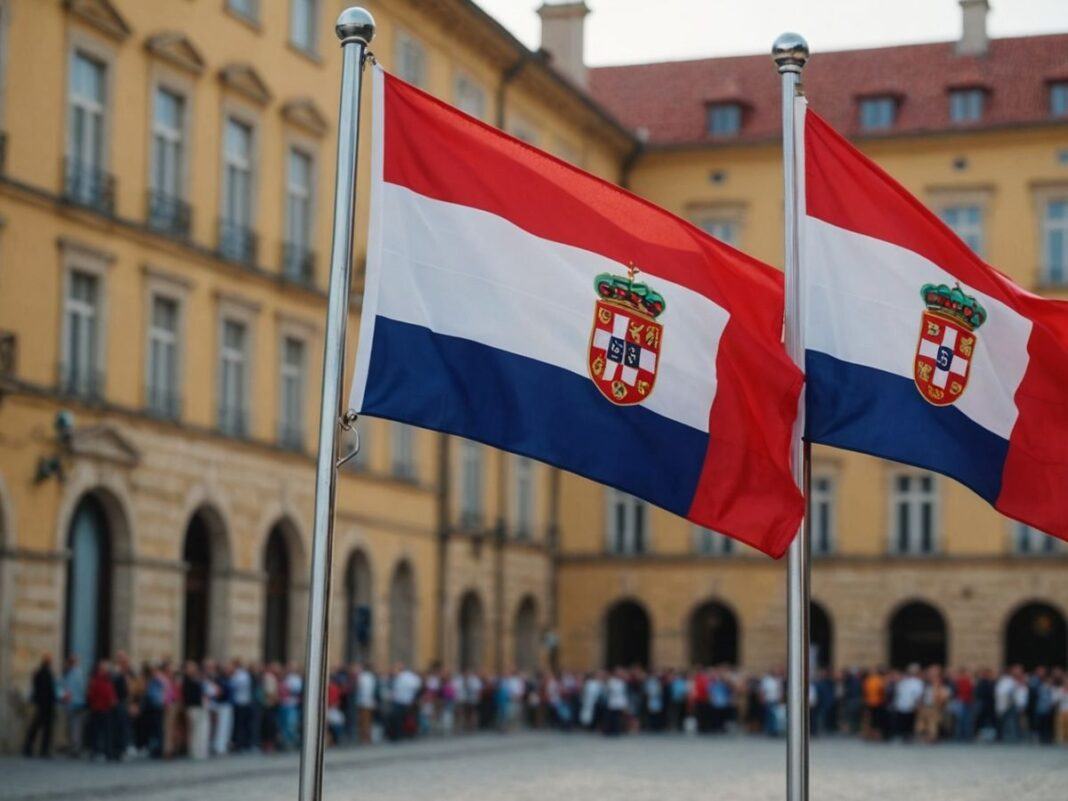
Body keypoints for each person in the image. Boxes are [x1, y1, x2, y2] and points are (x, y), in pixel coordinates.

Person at [22, 654, 57, 758]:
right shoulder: (46, 674)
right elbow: (49, 690)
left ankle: (29, 748)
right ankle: (42, 750)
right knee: (45, 729)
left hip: (42, 704)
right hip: (46, 706)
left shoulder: (38, 673)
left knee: (36, 728)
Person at [86, 661, 117, 761]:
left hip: (105, 709)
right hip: (98, 709)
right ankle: (96, 751)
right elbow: (91, 695)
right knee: (97, 732)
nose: (105, 671)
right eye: (103, 669)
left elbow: (110, 693)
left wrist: (112, 701)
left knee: (106, 732)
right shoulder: (96, 680)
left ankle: (106, 752)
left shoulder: (107, 680)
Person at [60, 654, 87, 757]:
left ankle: (76, 748)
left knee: (75, 727)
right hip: (74, 703)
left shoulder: (74, 674)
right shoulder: (74, 673)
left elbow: (77, 688)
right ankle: (74, 747)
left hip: (75, 704)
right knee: (74, 727)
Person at [183, 661, 209, 760]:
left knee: (200, 730)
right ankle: (196, 751)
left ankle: (200, 750)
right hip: (194, 707)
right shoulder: (187, 680)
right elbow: (189, 695)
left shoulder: (195, 679)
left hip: (198, 707)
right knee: (197, 731)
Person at [892, 664, 924, 741]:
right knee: (905, 721)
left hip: (908, 705)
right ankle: (905, 735)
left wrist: (917, 705)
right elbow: (898, 693)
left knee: (907, 721)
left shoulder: (916, 682)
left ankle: (907, 735)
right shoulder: (905, 681)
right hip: (904, 705)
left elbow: (918, 695)